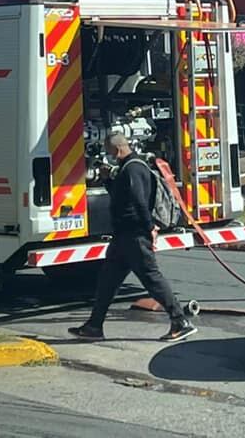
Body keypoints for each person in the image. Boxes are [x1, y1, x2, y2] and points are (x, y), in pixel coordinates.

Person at [69, 134, 197, 343]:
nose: (110, 157)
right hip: (122, 237)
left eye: (110, 152)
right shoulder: (127, 169)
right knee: (107, 282)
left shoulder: (134, 169)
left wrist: (149, 228)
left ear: (118, 150)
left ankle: (180, 321)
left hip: (135, 235)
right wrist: (108, 180)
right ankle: (94, 326)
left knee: (151, 278)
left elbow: (138, 201)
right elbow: (123, 198)